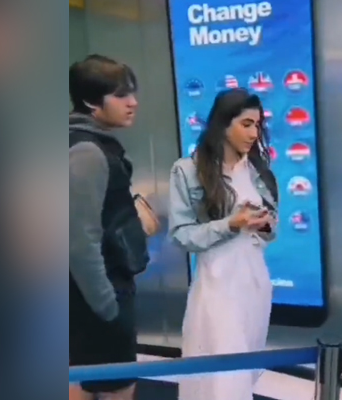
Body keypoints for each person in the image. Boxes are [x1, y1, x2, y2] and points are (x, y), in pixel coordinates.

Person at [168, 88, 278, 400]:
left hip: (255, 283)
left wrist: (265, 225)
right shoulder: (188, 170)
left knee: (244, 373)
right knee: (225, 381)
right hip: (218, 286)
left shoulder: (258, 171)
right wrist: (230, 224)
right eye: (246, 124)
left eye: (257, 125)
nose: (254, 133)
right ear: (223, 124)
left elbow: (270, 232)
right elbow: (181, 234)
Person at [69, 55, 151, 400]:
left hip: (92, 292)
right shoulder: (87, 150)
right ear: (91, 102)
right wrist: (107, 306)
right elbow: (77, 240)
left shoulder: (87, 142)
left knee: (83, 380)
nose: (132, 103)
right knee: (114, 386)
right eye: (120, 95)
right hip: (98, 295)